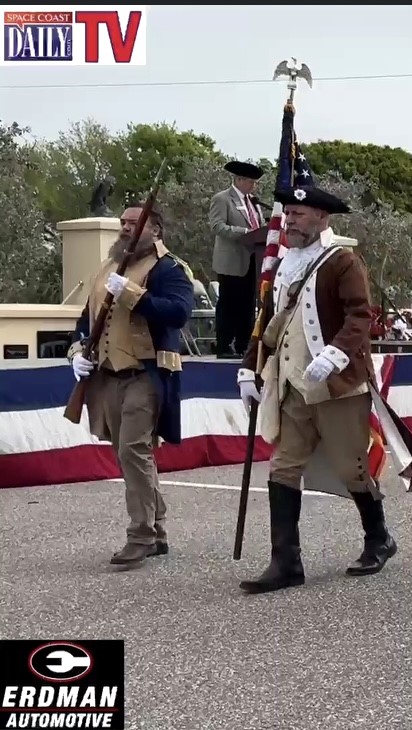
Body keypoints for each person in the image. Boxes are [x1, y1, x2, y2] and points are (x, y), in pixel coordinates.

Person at [235, 186, 398, 594]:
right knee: (284, 467)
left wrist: (337, 353)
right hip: (291, 382)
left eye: (300, 213)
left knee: (350, 469)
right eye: (288, 212)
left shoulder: (342, 261)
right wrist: (247, 368)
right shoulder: (283, 266)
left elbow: (359, 315)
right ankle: (286, 562)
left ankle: (379, 538)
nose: (290, 220)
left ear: (323, 218)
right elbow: (267, 323)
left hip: (337, 384)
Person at [68, 203, 195, 565]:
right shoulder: (109, 266)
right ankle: (157, 528)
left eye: (134, 223)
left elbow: (178, 313)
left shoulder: (169, 268)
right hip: (107, 374)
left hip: (146, 371)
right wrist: (77, 351)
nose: (126, 228)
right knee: (127, 454)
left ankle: (140, 535)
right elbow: (86, 319)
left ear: (155, 230)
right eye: (123, 222)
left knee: (133, 451)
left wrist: (132, 294)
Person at [209, 160, 265, 359]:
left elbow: (259, 227)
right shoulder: (222, 199)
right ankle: (224, 345)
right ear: (239, 179)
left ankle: (243, 344)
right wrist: (245, 232)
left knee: (248, 304)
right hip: (231, 261)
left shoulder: (253, 202)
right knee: (229, 303)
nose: (253, 186)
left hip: (252, 261)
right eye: (251, 181)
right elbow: (217, 226)